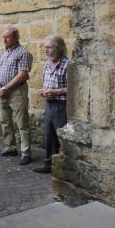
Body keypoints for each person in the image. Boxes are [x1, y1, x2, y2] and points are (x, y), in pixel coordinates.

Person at [0, 27, 34, 165]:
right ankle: (10, 147)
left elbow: (22, 75)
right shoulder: (3, 53)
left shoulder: (23, 53)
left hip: (17, 92)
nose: (4, 40)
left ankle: (26, 152)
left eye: (7, 37)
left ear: (16, 37)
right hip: (2, 92)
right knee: (4, 121)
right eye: (3, 37)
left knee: (22, 123)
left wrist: (5, 88)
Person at [34, 35, 69, 174]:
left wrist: (56, 92)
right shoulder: (47, 64)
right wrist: (44, 92)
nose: (46, 50)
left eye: (49, 47)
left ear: (59, 49)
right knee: (49, 136)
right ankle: (48, 164)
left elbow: (73, 87)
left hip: (62, 106)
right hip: (49, 104)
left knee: (62, 137)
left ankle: (64, 167)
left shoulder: (68, 64)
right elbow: (46, 83)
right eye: (45, 47)